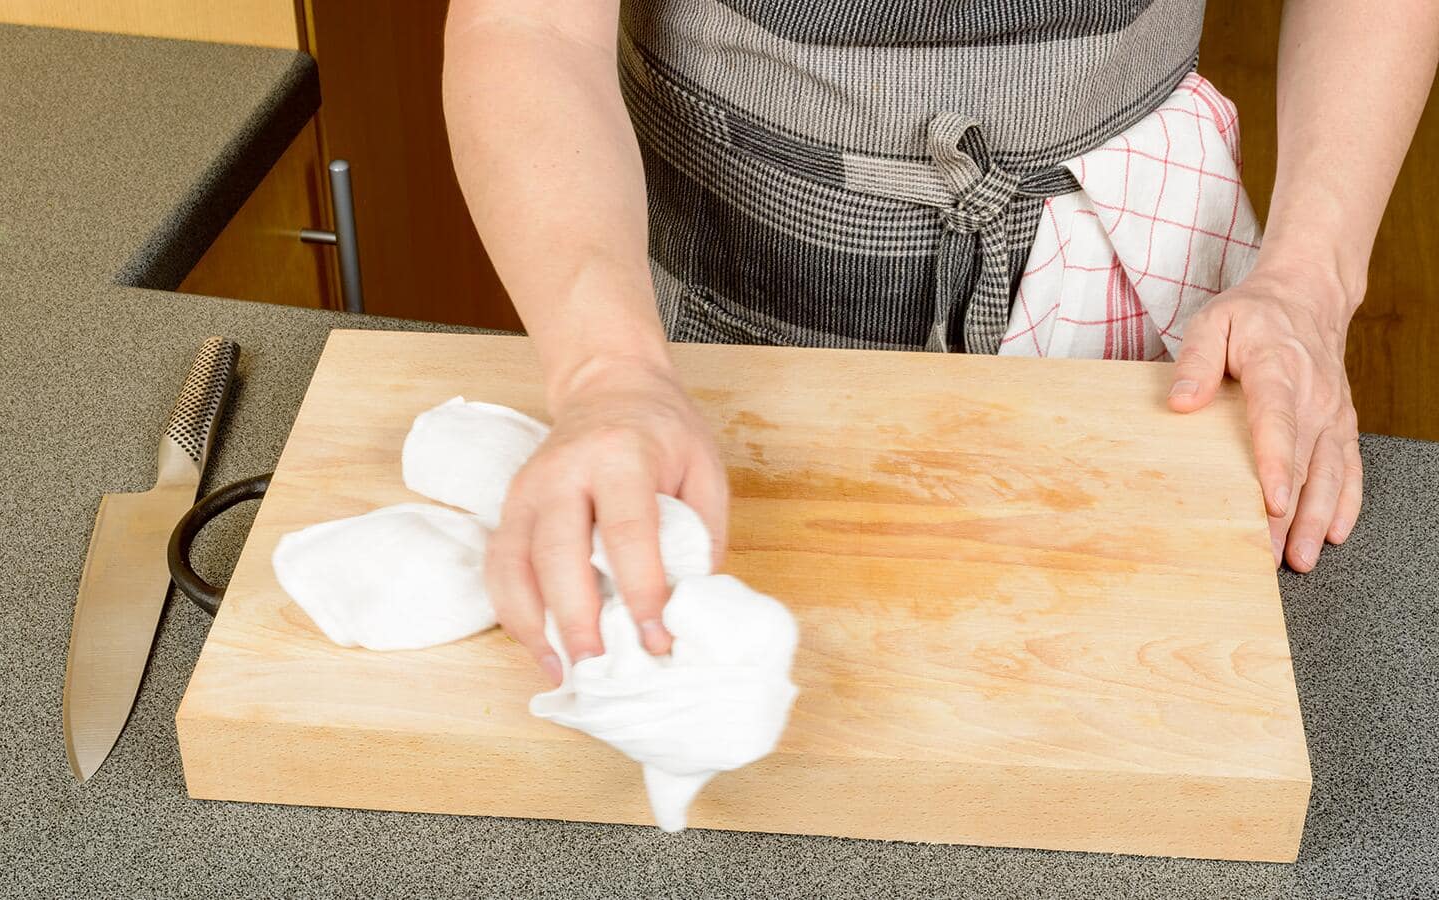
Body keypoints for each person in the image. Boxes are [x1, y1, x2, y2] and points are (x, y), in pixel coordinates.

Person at [442, 0, 1439, 682]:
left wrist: (1310, 282)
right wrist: (609, 370)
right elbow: (523, 20)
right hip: (706, 312)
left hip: (1138, 288)